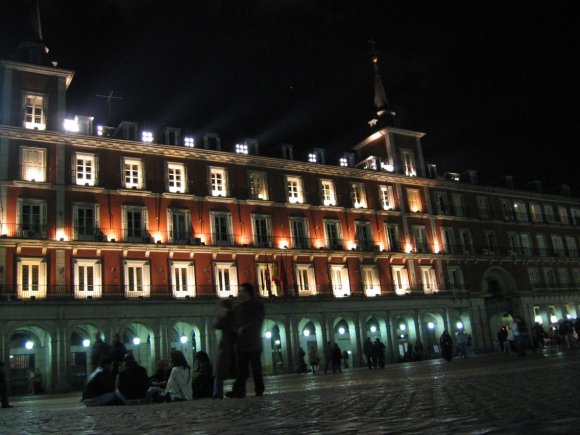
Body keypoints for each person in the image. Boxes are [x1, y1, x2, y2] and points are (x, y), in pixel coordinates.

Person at [226, 283, 265, 398]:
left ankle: (259, 389)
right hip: (242, 343)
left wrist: (244, 329)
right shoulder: (239, 307)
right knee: (241, 368)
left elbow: (258, 321)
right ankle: (239, 391)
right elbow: (233, 322)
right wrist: (236, 329)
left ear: (248, 292)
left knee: (256, 368)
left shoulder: (257, 305)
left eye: (241, 291)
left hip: (253, 342)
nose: (240, 293)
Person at [213, 299, 235, 399]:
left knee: (219, 371)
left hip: (228, 345)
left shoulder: (228, 317)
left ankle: (218, 393)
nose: (219, 309)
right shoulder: (231, 316)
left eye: (220, 307)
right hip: (230, 345)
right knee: (221, 371)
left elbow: (217, 325)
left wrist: (220, 316)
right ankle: (218, 392)